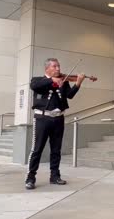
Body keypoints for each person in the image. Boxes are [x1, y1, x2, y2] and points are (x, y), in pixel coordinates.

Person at [25, 58, 85, 190]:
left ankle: (55, 176)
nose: (58, 69)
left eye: (58, 66)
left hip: (58, 119)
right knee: (37, 149)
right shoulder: (37, 80)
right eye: (55, 66)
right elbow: (34, 87)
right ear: (47, 68)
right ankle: (30, 177)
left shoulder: (63, 81)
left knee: (56, 150)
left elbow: (69, 95)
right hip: (42, 118)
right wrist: (52, 80)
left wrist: (78, 83)